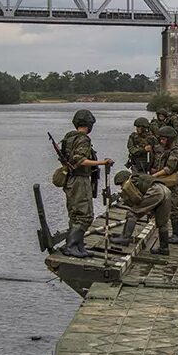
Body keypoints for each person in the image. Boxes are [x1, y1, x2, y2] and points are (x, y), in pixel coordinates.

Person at [60, 109, 113, 258]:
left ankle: (78, 246)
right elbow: (80, 160)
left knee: (75, 214)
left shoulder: (68, 138)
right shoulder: (82, 139)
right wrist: (103, 162)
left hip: (69, 180)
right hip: (80, 180)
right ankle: (70, 246)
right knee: (85, 216)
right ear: (89, 124)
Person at [112, 170, 174, 255]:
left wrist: (124, 197)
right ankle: (164, 248)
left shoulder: (130, 181)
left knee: (132, 213)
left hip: (156, 191)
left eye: (120, 184)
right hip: (166, 190)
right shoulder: (139, 177)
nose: (121, 186)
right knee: (162, 222)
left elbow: (137, 199)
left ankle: (125, 238)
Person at [149, 125, 178, 245]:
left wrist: (154, 176)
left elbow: (169, 168)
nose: (161, 141)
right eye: (160, 139)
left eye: (164, 139)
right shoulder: (164, 148)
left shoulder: (175, 150)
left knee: (172, 209)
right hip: (164, 182)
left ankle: (177, 235)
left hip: (173, 184)